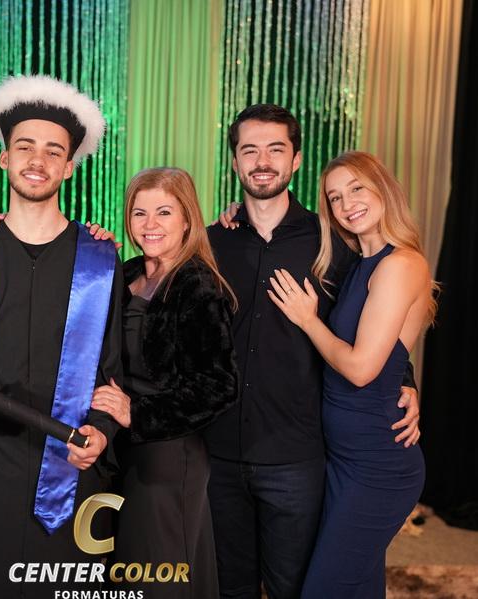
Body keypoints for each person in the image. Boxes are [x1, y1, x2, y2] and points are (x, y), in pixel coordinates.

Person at [204, 104, 421, 598]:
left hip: (297, 457)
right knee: (229, 587)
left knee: (297, 587)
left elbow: (372, 322)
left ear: (296, 159)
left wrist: (404, 380)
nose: (262, 161)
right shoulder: (212, 241)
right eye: (249, 150)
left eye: (275, 149)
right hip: (219, 453)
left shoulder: (335, 242)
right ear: (235, 162)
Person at [0, 75, 123, 599]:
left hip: (71, 474)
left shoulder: (100, 262)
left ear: (69, 167)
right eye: (25, 146)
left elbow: (113, 370)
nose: (38, 160)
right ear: (5, 157)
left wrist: (102, 431)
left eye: (54, 150)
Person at [268, 151, 433, 597]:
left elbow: (361, 369)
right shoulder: (359, 263)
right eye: (335, 197)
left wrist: (308, 320)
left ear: (384, 188)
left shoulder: (401, 264)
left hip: (377, 464)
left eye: (357, 188)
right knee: (358, 586)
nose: (347, 203)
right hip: (343, 458)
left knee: (325, 589)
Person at [89, 167, 240, 599]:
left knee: (158, 575)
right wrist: (90, 249)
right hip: (120, 448)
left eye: (164, 212)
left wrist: (135, 412)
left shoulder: (198, 285)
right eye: (140, 213)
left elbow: (219, 385)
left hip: (168, 457)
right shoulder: (127, 272)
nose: (150, 224)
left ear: (187, 219)